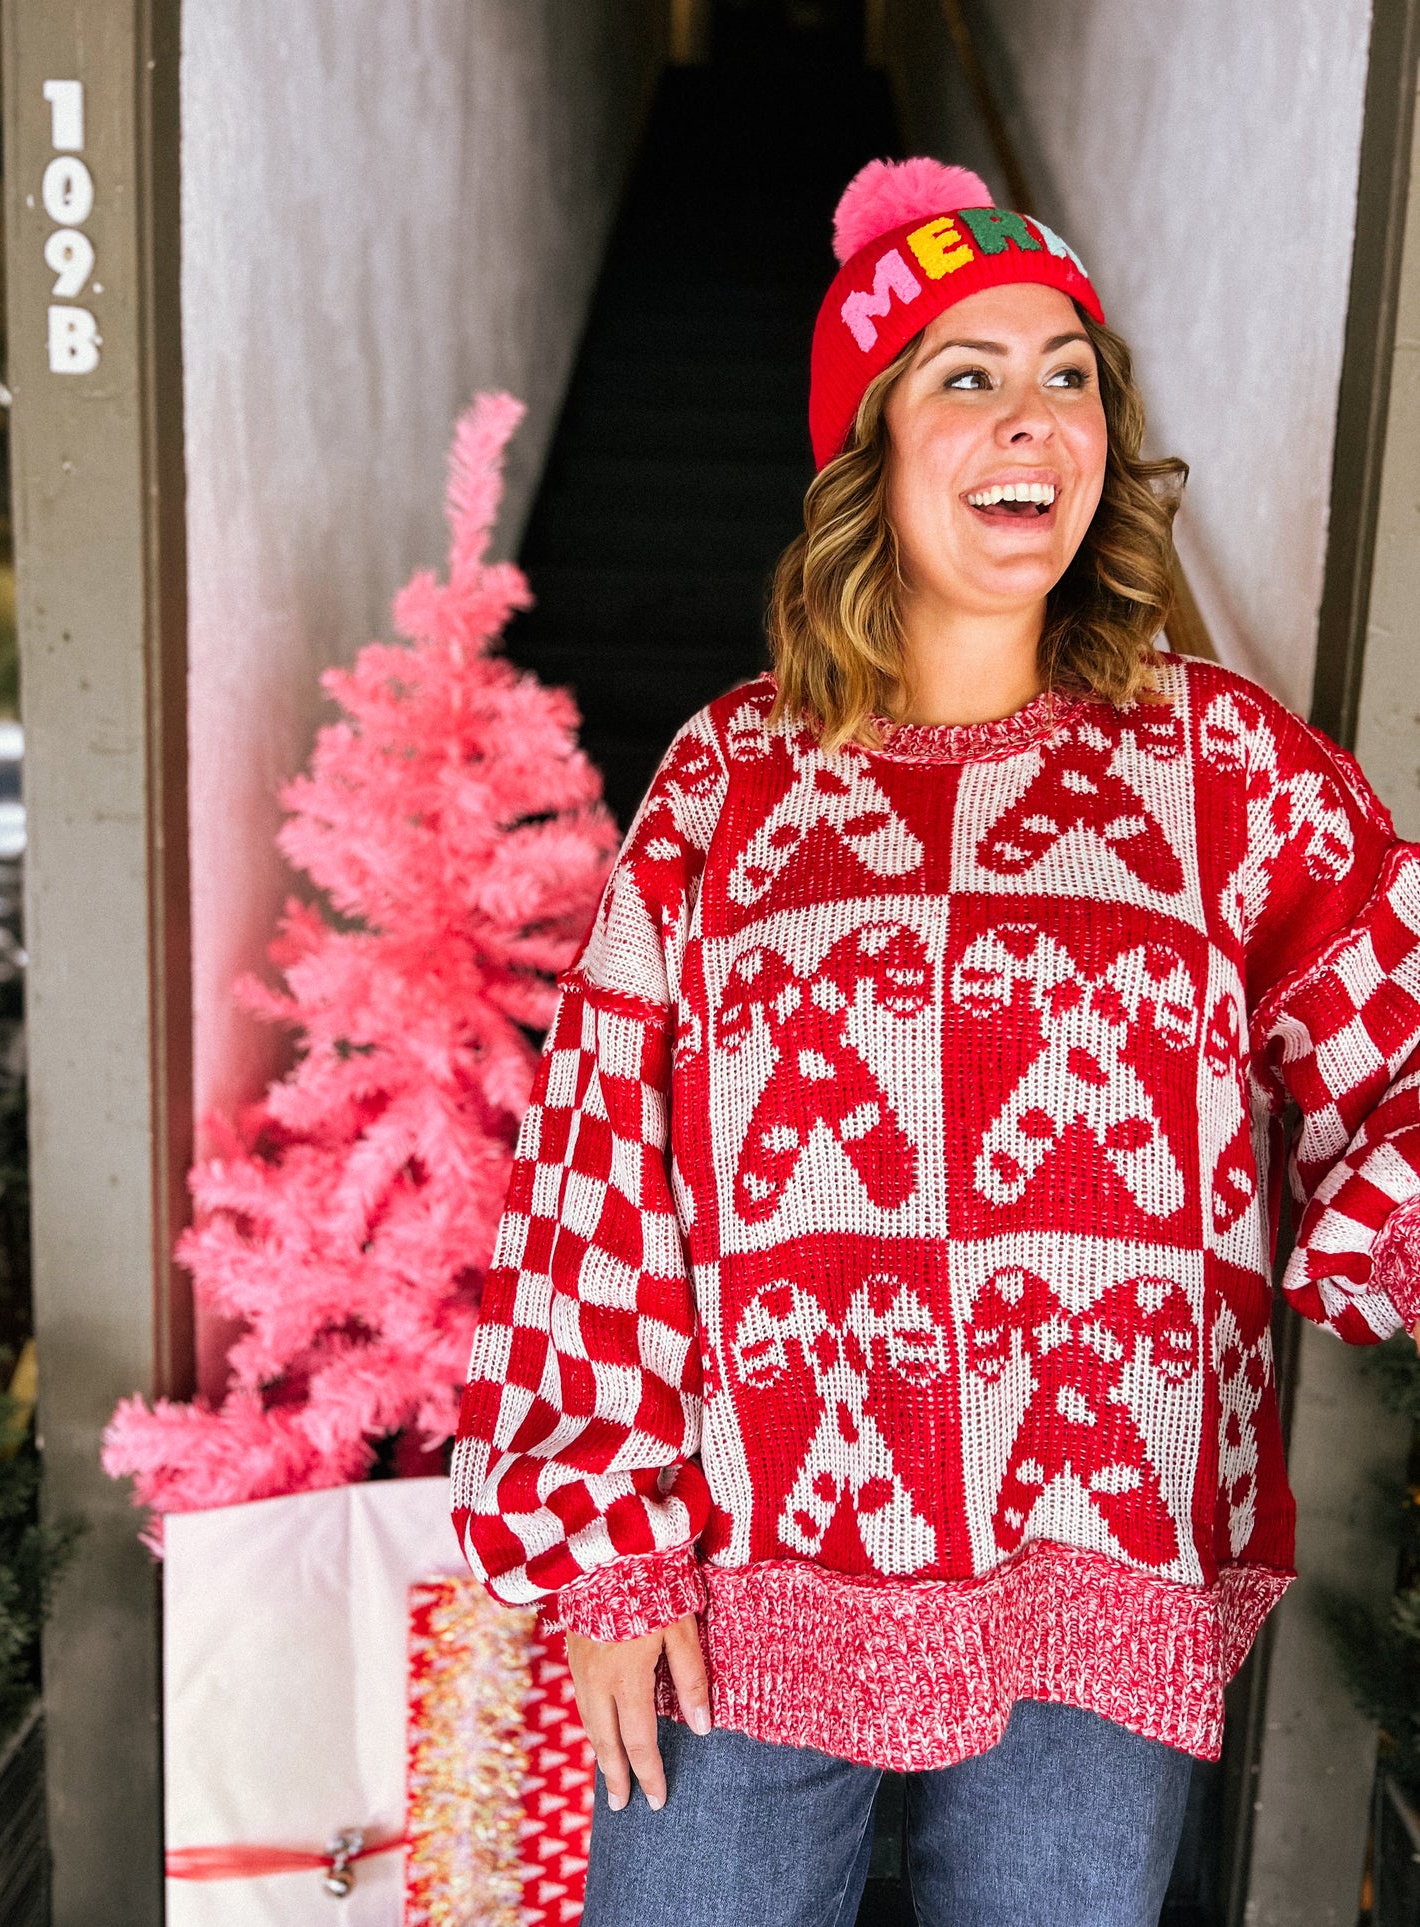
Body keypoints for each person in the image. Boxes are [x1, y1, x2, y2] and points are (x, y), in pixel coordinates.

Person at [449, 156, 1420, 1926]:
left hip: (1104, 1559)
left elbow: (1401, 1013)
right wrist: (603, 1536)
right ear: (871, 448)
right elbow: (600, 1162)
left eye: (1068, 376)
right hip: (747, 1577)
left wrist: (1378, 1227)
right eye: (965, 377)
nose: (1029, 419)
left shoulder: (1212, 767)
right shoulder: (730, 778)